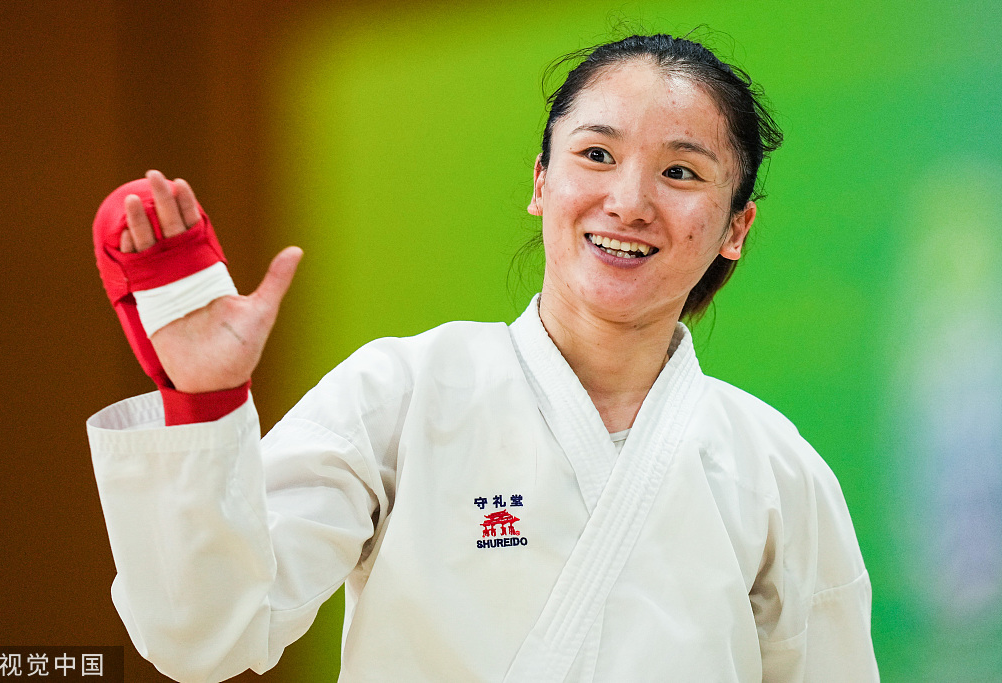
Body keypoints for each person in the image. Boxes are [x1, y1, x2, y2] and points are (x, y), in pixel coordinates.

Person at [87, 34, 878, 682]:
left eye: (680, 172)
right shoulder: (400, 394)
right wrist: (206, 399)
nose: (628, 201)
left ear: (736, 226)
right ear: (541, 182)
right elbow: (208, 637)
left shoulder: (776, 469)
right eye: (596, 154)